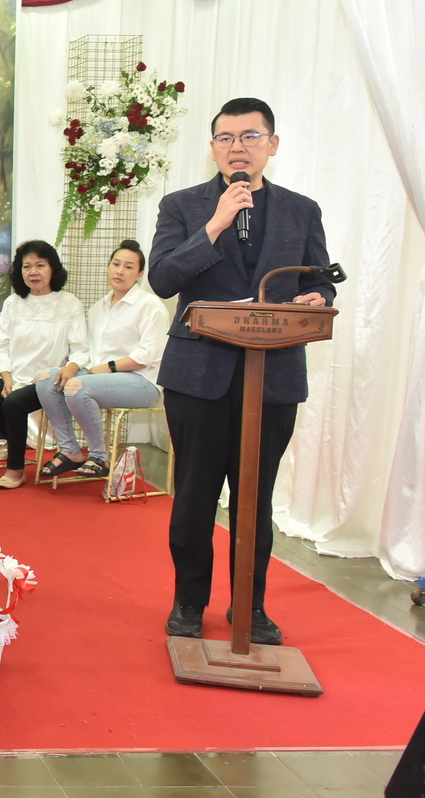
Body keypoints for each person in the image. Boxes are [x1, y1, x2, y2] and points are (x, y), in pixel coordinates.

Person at [148, 98, 334, 646]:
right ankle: (189, 602)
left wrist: (318, 297)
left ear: (272, 145)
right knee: (195, 496)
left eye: (250, 136)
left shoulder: (302, 210)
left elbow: (320, 279)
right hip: (197, 377)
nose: (238, 147)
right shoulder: (183, 206)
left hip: (272, 377)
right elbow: (162, 279)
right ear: (212, 148)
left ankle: (250, 606)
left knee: (256, 497)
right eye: (226, 138)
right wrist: (216, 224)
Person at [37, 239, 168, 480]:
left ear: (140, 274)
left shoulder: (150, 306)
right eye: (116, 264)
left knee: (77, 387)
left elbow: (147, 355)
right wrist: (71, 367)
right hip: (99, 377)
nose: (120, 271)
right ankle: (70, 450)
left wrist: (107, 368)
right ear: (108, 267)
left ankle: (99, 456)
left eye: (129, 267)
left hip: (142, 382)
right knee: (46, 380)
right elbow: (89, 352)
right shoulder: (98, 308)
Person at [0, 240, 88, 489]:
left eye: (40, 265)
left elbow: (80, 351)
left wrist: (67, 370)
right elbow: (0, 348)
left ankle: (15, 469)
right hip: (14, 375)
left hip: (47, 379)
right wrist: (7, 378)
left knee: (14, 403)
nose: (33, 272)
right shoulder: (13, 303)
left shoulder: (69, 303)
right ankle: (18, 438)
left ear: (53, 268)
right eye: (27, 266)